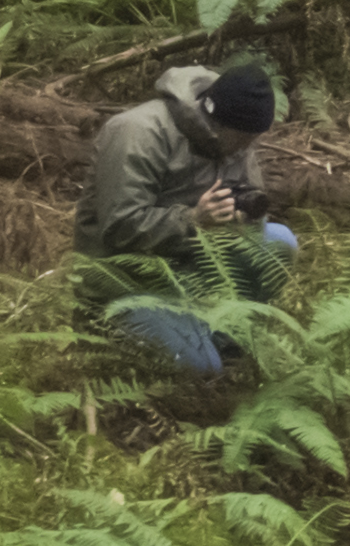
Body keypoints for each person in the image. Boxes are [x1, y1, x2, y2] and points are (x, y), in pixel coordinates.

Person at [76, 53, 295, 377]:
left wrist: (241, 224)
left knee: (280, 241)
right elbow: (118, 228)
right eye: (244, 139)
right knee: (202, 367)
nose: (248, 148)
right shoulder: (137, 133)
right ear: (218, 123)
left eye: (254, 139)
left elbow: (253, 207)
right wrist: (193, 220)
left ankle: (225, 331)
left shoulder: (238, 137)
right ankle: (116, 332)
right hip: (128, 286)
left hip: (192, 273)